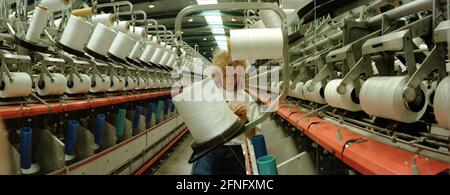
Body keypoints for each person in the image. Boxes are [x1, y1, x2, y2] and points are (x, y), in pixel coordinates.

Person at [190, 48, 262, 175]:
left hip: (233, 151)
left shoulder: (245, 98)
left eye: (234, 75)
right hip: (208, 149)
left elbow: (251, 135)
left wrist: (244, 120)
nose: (230, 79)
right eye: (225, 75)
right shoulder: (207, 94)